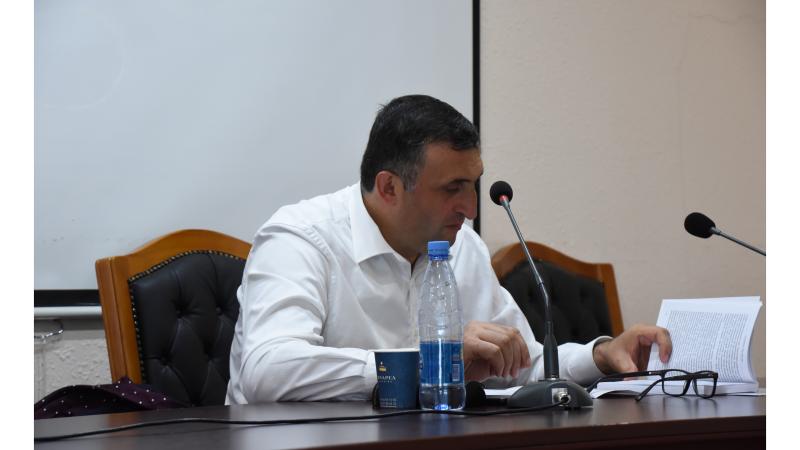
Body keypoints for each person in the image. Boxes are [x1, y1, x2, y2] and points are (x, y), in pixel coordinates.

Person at [226, 94, 672, 404]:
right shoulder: (300, 238)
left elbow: (522, 365)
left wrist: (599, 356)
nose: (471, 209)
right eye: (452, 188)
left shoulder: (462, 249)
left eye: (473, 185)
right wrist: (430, 364)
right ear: (389, 187)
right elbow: (268, 371)